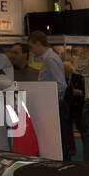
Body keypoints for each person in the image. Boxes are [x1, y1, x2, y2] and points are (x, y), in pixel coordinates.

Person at [29, 30, 70, 158]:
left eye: (31, 46)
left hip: (55, 106)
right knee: (57, 142)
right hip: (53, 105)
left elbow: (61, 85)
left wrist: (48, 96)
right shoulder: (48, 58)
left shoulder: (50, 59)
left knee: (59, 143)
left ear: (38, 44)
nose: (31, 50)